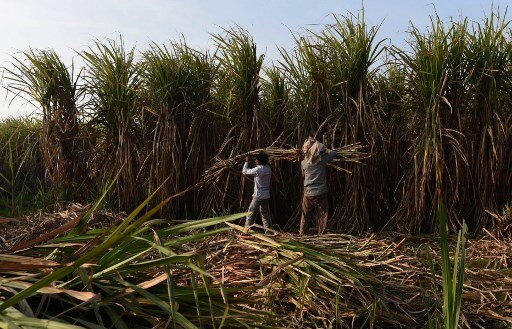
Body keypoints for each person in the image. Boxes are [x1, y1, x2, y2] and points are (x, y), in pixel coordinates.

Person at [299, 137, 337, 235]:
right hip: (320, 192)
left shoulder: (303, 163)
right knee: (322, 214)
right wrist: (325, 150)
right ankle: (321, 234)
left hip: (308, 192)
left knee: (305, 214)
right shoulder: (322, 160)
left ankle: (302, 234)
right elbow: (334, 153)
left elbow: (303, 175)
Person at [242, 152, 272, 232]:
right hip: (266, 196)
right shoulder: (268, 168)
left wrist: (247, 162)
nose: (255, 161)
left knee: (250, 214)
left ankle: (246, 231)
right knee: (265, 215)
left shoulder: (258, 169)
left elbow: (244, 172)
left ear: (259, 161)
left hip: (258, 196)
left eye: (256, 160)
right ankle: (268, 232)